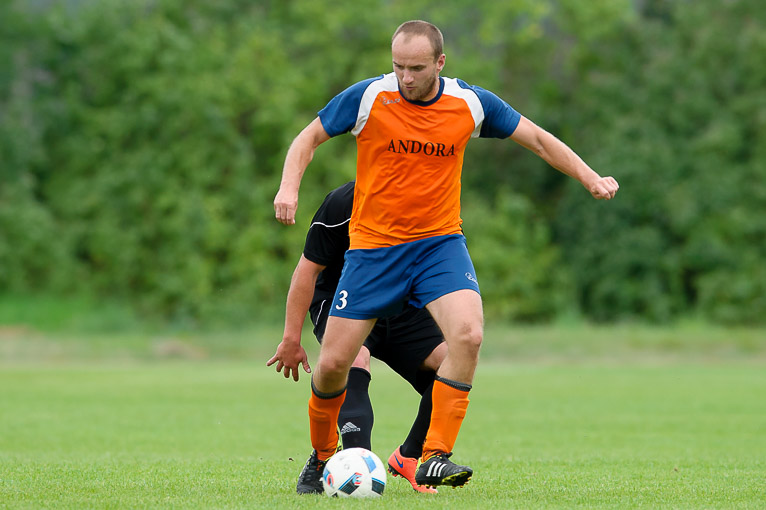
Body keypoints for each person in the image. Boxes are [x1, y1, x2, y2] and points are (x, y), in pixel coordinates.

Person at [273, 20, 619, 489]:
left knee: (469, 336)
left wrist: (590, 177)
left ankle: (433, 454)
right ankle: (321, 456)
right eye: (398, 66)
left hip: (438, 245)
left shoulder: (470, 103)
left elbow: (538, 139)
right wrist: (288, 187)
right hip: (373, 251)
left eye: (416, 68)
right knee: (334, 365)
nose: (406, 77)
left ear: (440, 62)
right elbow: (306, 139)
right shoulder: (369, 97)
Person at [267, 181, 448, 494]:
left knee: (451, 362)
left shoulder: (427, 202)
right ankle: (339, 462)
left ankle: (408, 456)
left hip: (400, 302)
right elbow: (307, 271)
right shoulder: (342, 204)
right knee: (355, 357)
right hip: (341, 297)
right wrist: (290, 339)